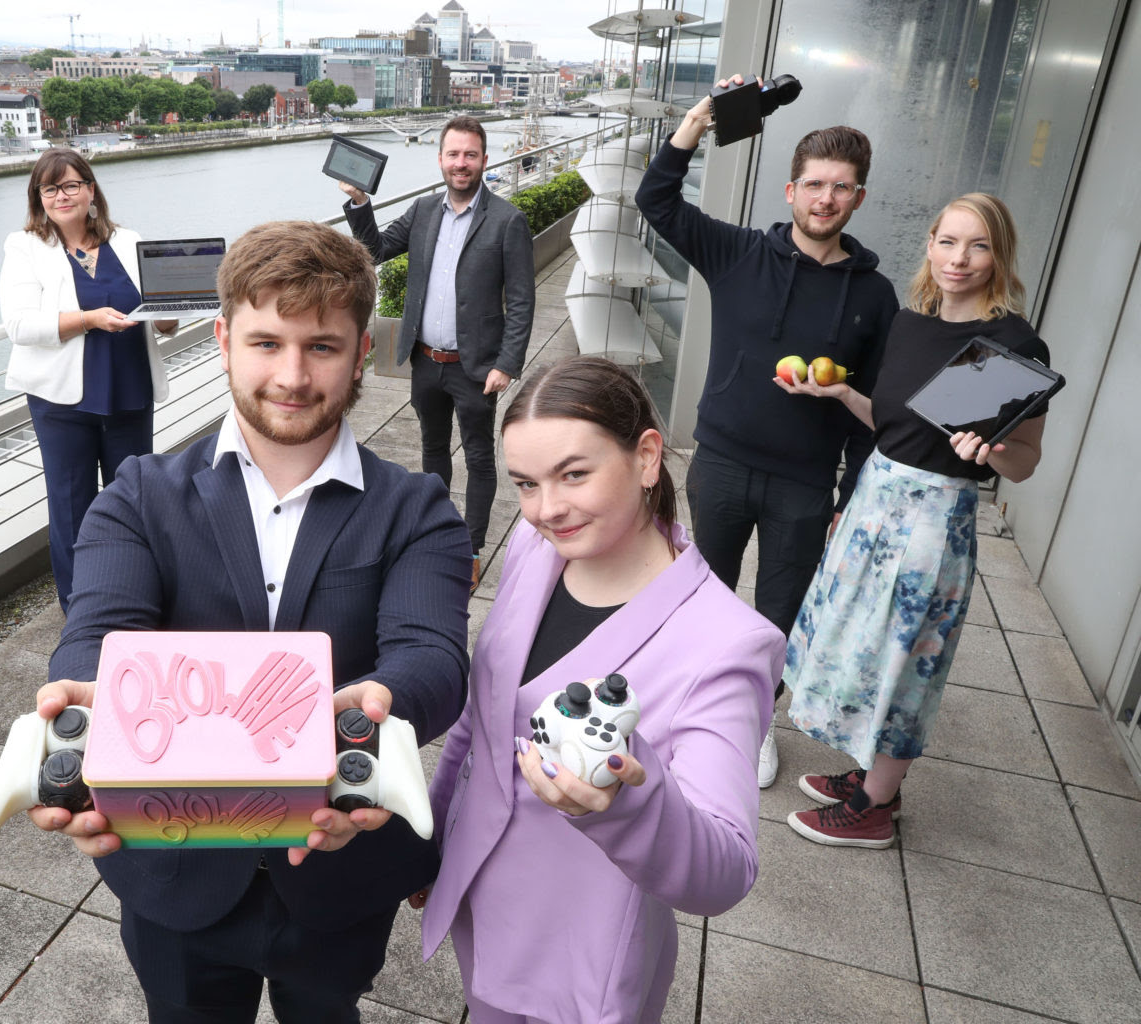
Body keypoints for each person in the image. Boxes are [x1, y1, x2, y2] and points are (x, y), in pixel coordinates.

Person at [27, 220, 473, 1022]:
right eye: (266, 343)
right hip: (173, 867)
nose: (292, 376)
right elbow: (99, 633)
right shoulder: (137, 495)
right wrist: (91, 708)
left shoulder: (417, 510)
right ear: (225, 339)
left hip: (342, 867)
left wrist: (353, 716)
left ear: (362, 349)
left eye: (323, 347)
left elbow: (434, 662)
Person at [418, 356, 784, 1024]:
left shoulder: (727, 643)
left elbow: (724, 870)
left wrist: (624, 804)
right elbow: (482, 717)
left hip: (576, 953)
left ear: (647, 457)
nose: (546, 509)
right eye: (527, 484)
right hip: (479, 897)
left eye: (574, 474)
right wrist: (431, 838)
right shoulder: (541, 552)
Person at [634, 76, 899, 788]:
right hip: (721, 462)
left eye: (842, 188)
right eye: (814, 184)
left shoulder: (874, 295)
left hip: (805, 485)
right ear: (790, 191)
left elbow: (870, 403)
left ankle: (751, 727)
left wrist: (850, 492)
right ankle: (691, 713)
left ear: (858, 199)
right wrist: (697, 120)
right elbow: (655, 200)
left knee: (777, 618)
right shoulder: (738, 254)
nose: (826, 199)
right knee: (704, 597)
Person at [777, 193, 1050, 848]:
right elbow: (900, 429)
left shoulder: (1012, 343)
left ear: (999, 255)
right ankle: (871, 778)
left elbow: (1026, 464)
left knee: (907, 658)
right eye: (948, 241)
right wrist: (844, 394)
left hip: (934, 522)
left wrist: (993, 449)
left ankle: (876, 806)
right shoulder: (911, 322)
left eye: (978, 245)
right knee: (861, 646)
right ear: (930, 245)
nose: (960, 258)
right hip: (878, 498)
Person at [340, 115, 536, 594]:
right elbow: (377, 249)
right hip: (426, 360)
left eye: (470, 155)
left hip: (477, 368)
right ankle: (436, 533)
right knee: (431, 450)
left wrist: (506, 363)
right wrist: (359, 202)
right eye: (453, 155)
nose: (461, 163)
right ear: (441, 160)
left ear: (484, 160)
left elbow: (522, 300)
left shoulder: (507, 220)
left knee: (478, 457)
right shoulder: (424, 210)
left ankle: (469, 549)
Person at [0, 148, 178, 612]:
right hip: (62, 402)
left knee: (134, 501)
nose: (63, 195)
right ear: (39, 197)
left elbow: (162, 322)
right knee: (72, 507)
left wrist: (170, 312)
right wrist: (89, 319)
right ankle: (81, 609)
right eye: (51, 188)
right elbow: (20, 326)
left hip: (129, 390)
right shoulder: (25, 247)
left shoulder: (128, 239)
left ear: (91, 190)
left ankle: (135, 594)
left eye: (72, 184)